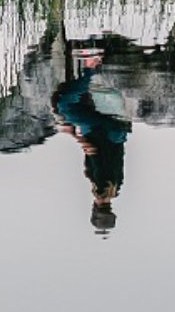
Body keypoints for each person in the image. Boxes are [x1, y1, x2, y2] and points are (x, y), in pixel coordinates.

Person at [52, 45, 133, 233]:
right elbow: (92, 150)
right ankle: (91, 68)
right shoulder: (101, 188)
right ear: (95, 208)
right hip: (102, 131)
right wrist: (71, 133)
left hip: (117, 134)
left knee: (73, 111)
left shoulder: (115, 188)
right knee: (65, 106)